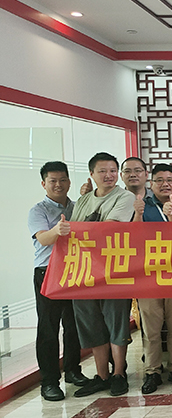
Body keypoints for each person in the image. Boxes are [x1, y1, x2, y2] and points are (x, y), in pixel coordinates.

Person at [69, 152, 136, 397]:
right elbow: (71, 229)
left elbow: (109, 228)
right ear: (92, 174)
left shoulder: (125, 197)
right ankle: (102, 375)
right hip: (83, 271)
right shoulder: (84, 200)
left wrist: (82, 231)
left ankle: (119, 374)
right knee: (91, 324)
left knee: (116, 323)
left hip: (114, 270)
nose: (108, 175)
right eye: (102, 171)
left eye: (112, 171)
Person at [28, 161, 88, 401]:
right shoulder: (38, 210)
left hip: (75, 271)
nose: (58, 185)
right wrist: (57, 230)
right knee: (48, 329)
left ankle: (73, 371)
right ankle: (50, 382)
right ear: (44, 183)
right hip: (48, 273)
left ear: (69, 182)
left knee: (74, 326)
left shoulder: (77, 206)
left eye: (63, 180)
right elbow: (43, 239)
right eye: (53, 181)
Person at [137, 164, 172, 393]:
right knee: (151, 328)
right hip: (147, 275)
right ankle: (152, 371)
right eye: (159, 180)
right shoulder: (142, 206)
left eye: (170, 180)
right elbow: (131, 237)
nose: (165, 184)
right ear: (151, 183)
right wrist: (137, 214)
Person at [121, 156, 148, 222]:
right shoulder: (116, 200)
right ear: (121, 176)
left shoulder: (156, 198)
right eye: (127, 171)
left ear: (146, 174)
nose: (132, 175)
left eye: (137, 171)